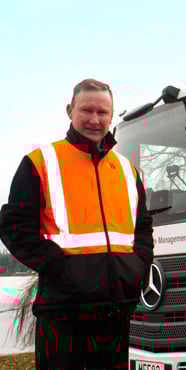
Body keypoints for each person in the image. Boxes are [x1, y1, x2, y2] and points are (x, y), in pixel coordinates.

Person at [0, 78, 154, 369]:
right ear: (70, 110)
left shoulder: (126, 169)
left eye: (102, 112)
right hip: (62, 311)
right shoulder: (39, 162)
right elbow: (14, 228)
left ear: (111, 115)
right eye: (86, 110)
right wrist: (61, 267)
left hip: (116, 310)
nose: (94, 120)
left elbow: (143, 226)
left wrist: (140, 264)